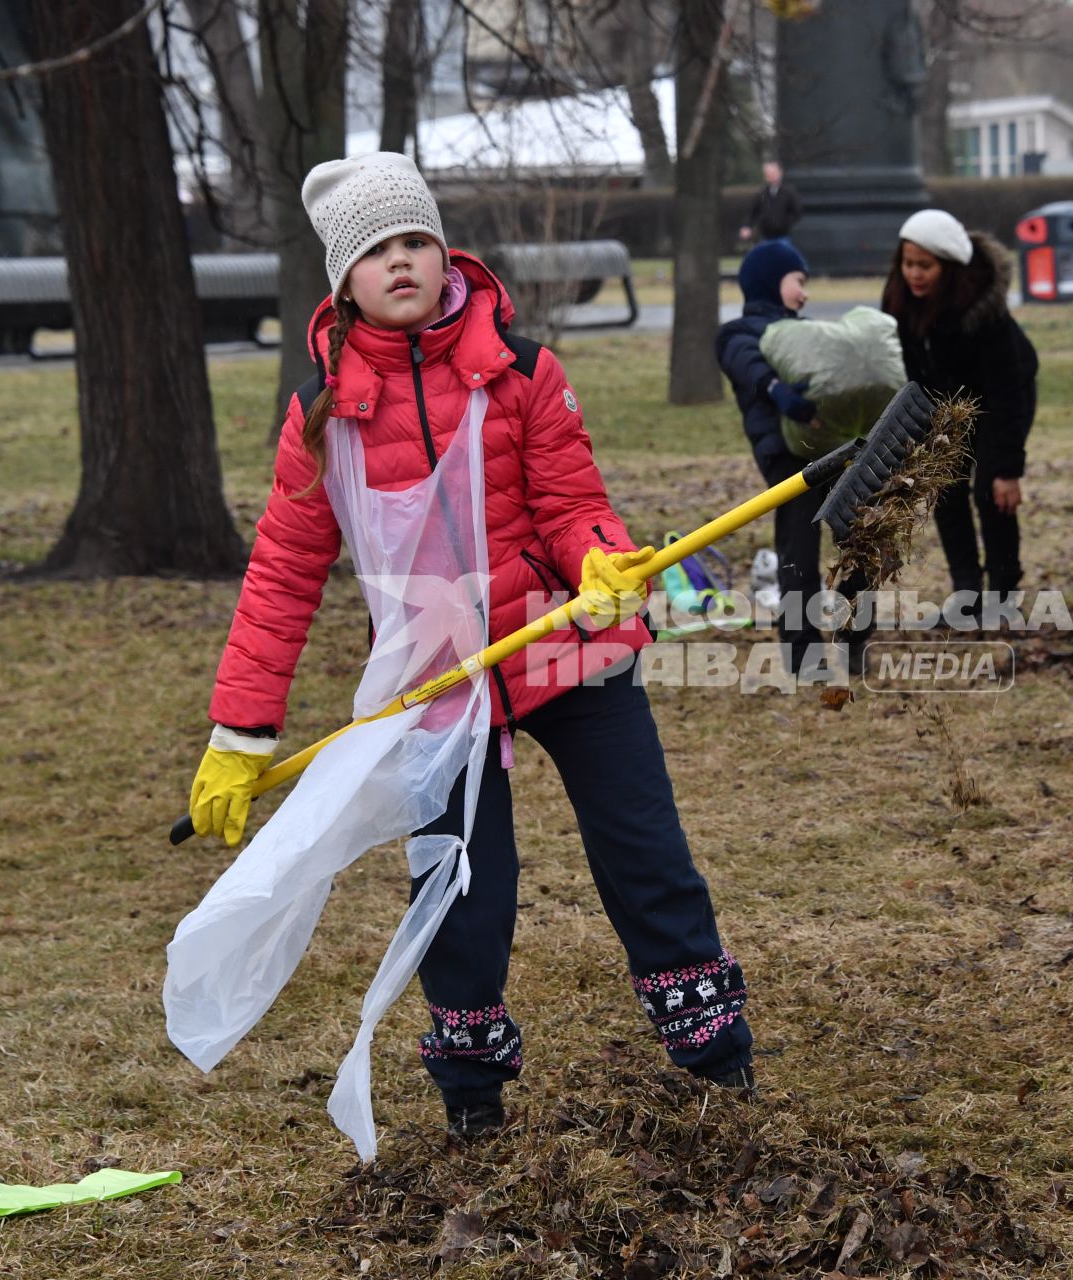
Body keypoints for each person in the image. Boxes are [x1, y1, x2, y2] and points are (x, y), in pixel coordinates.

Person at [187, 153, 754, 1139]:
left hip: (563, 642)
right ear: (344, 283)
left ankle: (715, 1057)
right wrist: (240, 728)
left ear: (445, 251)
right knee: (459, 882)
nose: (401, 261)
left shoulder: (523, 369)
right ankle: (473, 1094)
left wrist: (603, 565)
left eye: (415, 240)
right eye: (375, 250)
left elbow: (575, 508)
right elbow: (280, 574)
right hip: (437, 677)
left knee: (645, 851)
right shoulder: (323, 421)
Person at [881, 209, 1038, 615]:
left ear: (948, 267)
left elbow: (1006, 391)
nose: (914, 273)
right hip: (945, 403)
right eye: (908, 263)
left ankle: (1003, 596)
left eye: (925, 266)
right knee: (947, 492)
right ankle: (967, 596)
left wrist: (1008, 469)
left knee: (992, 493)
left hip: (1002, 395)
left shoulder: (984, 312)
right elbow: (909, 374)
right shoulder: (898, 300)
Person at [714, 239, 857, 674]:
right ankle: (803, 655)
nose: (805, 292)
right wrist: (778, 391)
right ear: (771, 283)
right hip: (786, 457)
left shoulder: (803, 329)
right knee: (799, 550)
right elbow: (749, 367)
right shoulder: (739, 333)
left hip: (833, 448)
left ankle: (855, 642)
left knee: (860, 538)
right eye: (799, 282)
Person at [739, 161, 802, 243]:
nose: (771, 176)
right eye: (768, 173)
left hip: (784, 236)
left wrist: (785, 223)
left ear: (780, 173)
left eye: (773, 173)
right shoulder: (761, 194)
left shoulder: (789, 193)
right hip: (766, 237)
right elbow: (753, 213)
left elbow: (797, 212)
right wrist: (747, 227)